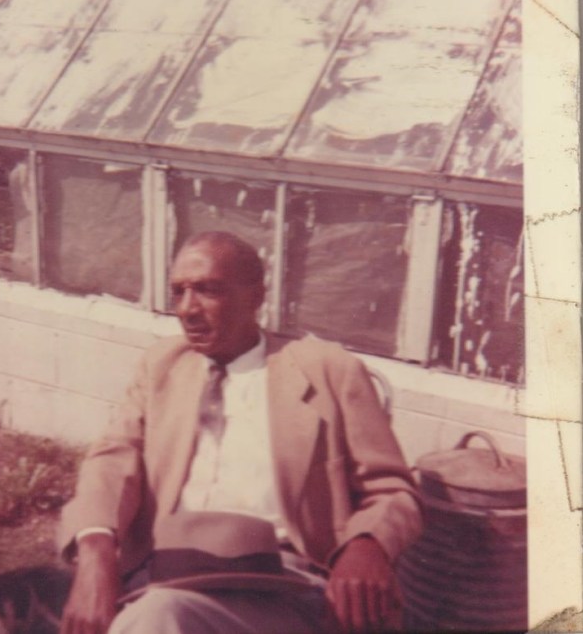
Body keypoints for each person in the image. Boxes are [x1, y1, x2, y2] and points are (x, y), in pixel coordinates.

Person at [58, 231, 422, 634]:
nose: (187, 309)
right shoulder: (162, 365)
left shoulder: (328, 372)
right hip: (169, 569)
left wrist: (366, 544)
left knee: (158, 617)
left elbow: (392, 490)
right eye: (179, 292)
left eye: (207, 290)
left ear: (256, 297)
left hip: (286, 582)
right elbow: (112, 459)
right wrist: (96, 550)